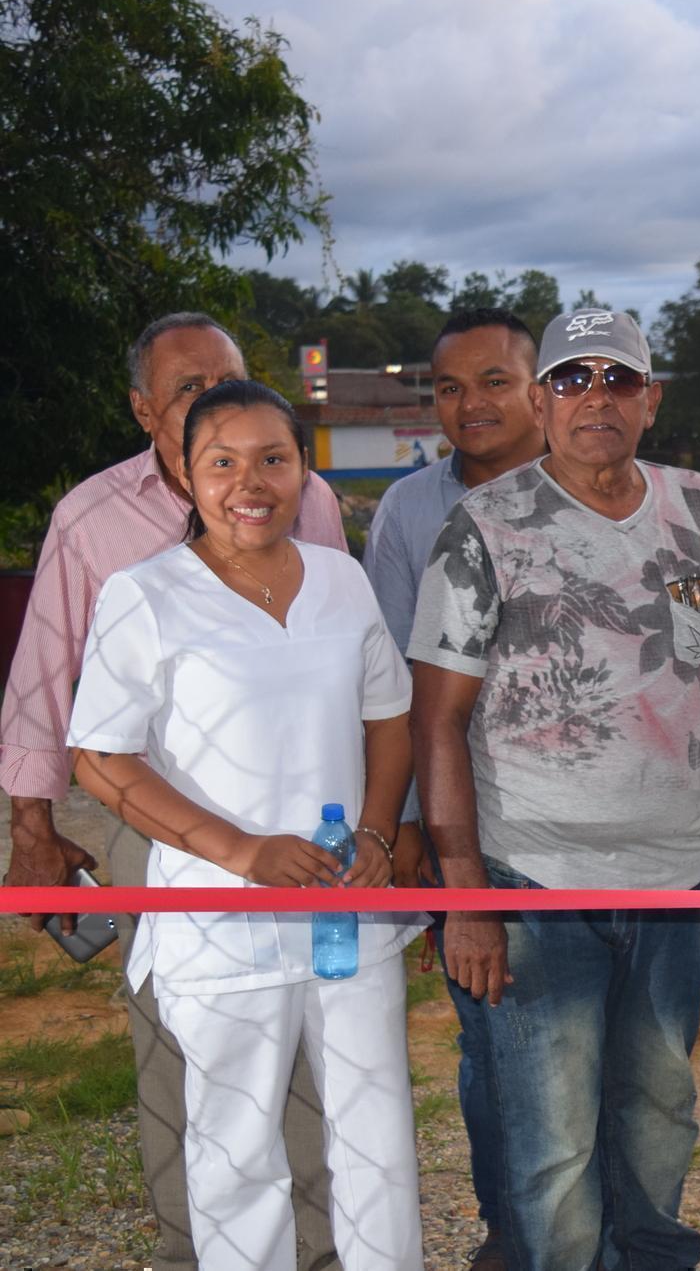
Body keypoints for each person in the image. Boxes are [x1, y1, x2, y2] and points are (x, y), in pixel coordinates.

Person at [0, 313, 345, 1270]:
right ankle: (198, 1248)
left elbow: (347, 656)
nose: (213, 404)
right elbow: (43, 676)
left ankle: (314, 1252)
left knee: (310, 1045)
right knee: (188, 1052)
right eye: (187, 391)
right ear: (145, 409)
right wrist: (32, 825)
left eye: (228, 381)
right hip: (151, 824)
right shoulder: (92, 517)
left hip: (294, 816)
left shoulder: (306, 498)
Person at [410, 307, 700, 1270]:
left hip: (674, 881)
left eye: (618, 380)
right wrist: (463, 893)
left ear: (652, 399)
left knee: (659, 1119)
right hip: (533, 882)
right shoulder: (484, 525)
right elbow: (436, 719)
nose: (595, 399)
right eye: (570, 380)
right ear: (542, 401)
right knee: (552, 1149)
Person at [67, 380, 422, 1270]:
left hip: (347, 919)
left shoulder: (341, 580)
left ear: (305, 470)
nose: (249, 481)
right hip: (218, 926)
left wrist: (378, 834)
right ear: (185, 474)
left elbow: (389, 716)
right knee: (235, 1148)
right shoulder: (144, 595)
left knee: (377, 1137)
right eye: (222, 461)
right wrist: (241, 851)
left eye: (274, 458)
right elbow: (101, 758)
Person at [361, 306, 547, 1271]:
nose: (470, 403)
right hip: (460, 825)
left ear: (539, 386)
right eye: (448, 386)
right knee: (497, 1055)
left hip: (596, 832)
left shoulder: (601, 491)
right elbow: (390, 686)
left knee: (621, 1070)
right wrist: (403, 828)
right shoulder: (407, 511)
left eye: (494, 381)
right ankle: (512, 1239)